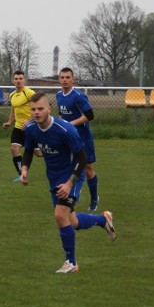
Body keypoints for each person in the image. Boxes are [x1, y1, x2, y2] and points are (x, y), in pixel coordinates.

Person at [21, 92, 116, 274]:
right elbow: (28, 151)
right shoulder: (32, 128)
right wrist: (25, 169)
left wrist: (69, 184)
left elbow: (82, 158)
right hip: (53, 177)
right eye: (33, 109)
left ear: (49, 109)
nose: (37, 112)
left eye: (41, 108)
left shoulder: (65, 130)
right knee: (71, 221)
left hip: (73, 174)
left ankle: (71, 262)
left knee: (59, 216)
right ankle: (103, 219)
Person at [56, 67, 99, 211]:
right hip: (68, 138)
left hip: (84, 137)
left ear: (73, 79)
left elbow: (90, 115)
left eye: (68, 77)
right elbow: (62, 114)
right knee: (70, 166)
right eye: (62, 77)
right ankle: (70, 196)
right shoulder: (58, 95)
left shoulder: (78, 96)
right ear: (59, 79)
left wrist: (70, 124)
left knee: (87, 169)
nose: (65, 80)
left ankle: (94, 199)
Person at [3, 70, 35, 181]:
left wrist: (29, 121)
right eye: (16, 79)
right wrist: (9, 122)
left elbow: (38, 109)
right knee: (14, 148)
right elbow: (13, 110)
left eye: (20, 78)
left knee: (39, 152)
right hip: (18, 127)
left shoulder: (30, 93)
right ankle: (21, 174)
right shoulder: (12, 95)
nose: (18, 81)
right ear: (13, 81)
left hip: (32, 127)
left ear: (24, 80)